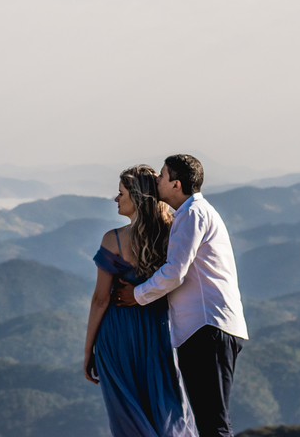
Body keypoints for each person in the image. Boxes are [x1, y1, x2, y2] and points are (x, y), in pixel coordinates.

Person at [115, 154, 248, 437]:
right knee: (210, 419)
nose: (156, 180)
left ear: (176, 184)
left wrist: (137, 294)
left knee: (213, 421)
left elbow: (176, 271)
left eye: (162, 176)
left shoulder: (192, 214)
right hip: (207, 326)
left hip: (207, 327)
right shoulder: (192, 213)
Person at [84, 165, 197, 437]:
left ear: (135, 198)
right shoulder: (173, 234)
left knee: (127, 412)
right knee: (166, 406)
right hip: (158, 331)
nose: (116, 199)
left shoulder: (113, 240)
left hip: (118, 333)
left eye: (121, 193)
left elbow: (100, 300)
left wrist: (88, 351)